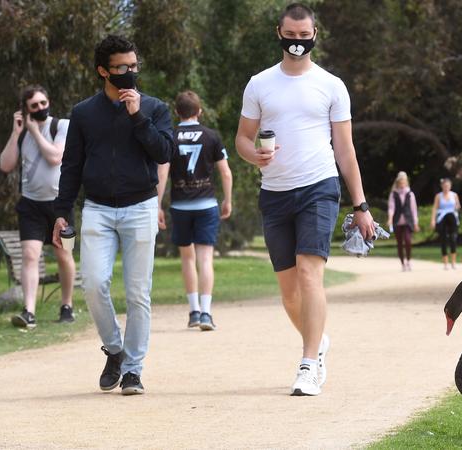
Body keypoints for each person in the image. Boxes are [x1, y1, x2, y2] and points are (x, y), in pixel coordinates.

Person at [235, 3, 375, 397]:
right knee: (288, 291)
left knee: (310, 272)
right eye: (290, 35)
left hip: (319, 186)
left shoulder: (331, 85)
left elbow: (345, 150)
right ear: (278, 32)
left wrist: (360, 204)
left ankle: (308, 363)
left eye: (304, 36)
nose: (297, 42)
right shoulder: (259, 84)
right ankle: (319, 341)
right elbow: (243, 138)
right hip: (274, 192)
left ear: (315, 35)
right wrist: (253, 154)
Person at [52, 35, 176, 395]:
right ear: (103, 71)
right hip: (98, 209)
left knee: (138, 294)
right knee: (92, 283)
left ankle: (134, 371)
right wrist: (62, 212)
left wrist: (137, 116)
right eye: (122, 68)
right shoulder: (83, 113)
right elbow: (71, 165)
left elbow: (164, 152)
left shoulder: (154, 108)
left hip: (140, 207)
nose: (130, 73)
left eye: (134, 67)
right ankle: (116, 350)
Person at [0, 85, 76, 329]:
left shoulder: (61, 125)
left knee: (64, 255)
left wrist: (35, 130)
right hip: (30, 206)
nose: (41, 108)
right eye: (35, 106)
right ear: (26, 109)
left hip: (61, 206)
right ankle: (29, 312)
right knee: (30, 255)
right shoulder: (22, 134)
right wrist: (17, 132)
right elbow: (5, 165)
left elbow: (55, 157)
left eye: (43, 103)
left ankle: (67, 305)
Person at [157, 90, 233, 331]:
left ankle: (193, 311)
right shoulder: (211, 136)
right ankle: (207, 314)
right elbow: (226, 172)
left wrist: (157, 204)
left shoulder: (170, 136)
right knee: (205, 258)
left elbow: (163, 172)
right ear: (199, 111)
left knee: (187, 258)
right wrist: (227, 199)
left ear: (177, 112)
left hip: (180, 205)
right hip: (207, 204)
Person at [386, 171, 419, 271]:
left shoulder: (410, 194)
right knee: (399, 243)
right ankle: (402, 264)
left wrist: (416, 222)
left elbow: (414, 209)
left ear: (406, 182)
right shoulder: (394, 194)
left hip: (408, 221)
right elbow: (391, 207)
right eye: (400, 182)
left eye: (404, 182)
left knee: (408, 241)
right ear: (398, 182)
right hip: (397, 221)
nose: (402, 184)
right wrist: (390, 219)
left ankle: (408, 261)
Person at [430, 177, 461, 269]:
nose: (446, 187)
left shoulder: (454, 195)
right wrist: (433, 220)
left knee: (453, 239)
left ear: (450, 186)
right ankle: (445, 263)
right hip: (442, 217)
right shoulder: (438, 196)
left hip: (452, 217)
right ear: (442, 186)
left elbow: (458, 206)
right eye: (444, 185)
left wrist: (457, 206)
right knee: (443, 239)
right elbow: (435, 208)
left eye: (448, 185)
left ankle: (454, 262)